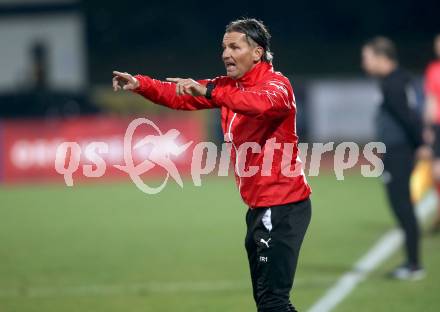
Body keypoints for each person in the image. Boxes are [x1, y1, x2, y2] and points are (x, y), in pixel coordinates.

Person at [113, 18, 311, 311]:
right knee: (269, 302)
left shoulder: (277, 85)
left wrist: (209, 92)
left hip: (281, 207)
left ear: (257, 52)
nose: (225, 54)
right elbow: (180, 96)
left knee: (273, 303)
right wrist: (141, 84)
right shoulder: (229, 87)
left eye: (234, 47)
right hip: (260, 208)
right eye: (223, 47)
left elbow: (258, 104)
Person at [361, 36, 428, 280]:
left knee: (402, 206)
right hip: (397, 149)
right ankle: (412, 263)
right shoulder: (397, 79)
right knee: (402, 206)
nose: (364, 63)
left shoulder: (394, 83)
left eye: (366, 57)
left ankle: (414, 264)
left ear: (381, 57)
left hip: (399, 151)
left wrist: (420, 143)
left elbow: (409, 117)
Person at [424, 34, 440, 233]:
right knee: (436, 172)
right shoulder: (433, 70)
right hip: (438, 125)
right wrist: (427, 128)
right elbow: (430, 100)